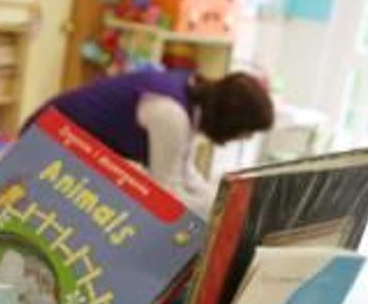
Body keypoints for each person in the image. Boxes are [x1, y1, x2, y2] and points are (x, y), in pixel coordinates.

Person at [35, 70, 274, 217]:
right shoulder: (171, 115)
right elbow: (167, 194)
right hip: (45, 142)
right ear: (232, 121)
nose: (245, 139)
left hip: (59, 137)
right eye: (246, 132)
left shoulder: (188, 94)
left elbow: (183, 170)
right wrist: (221, 212)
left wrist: (224, 202)